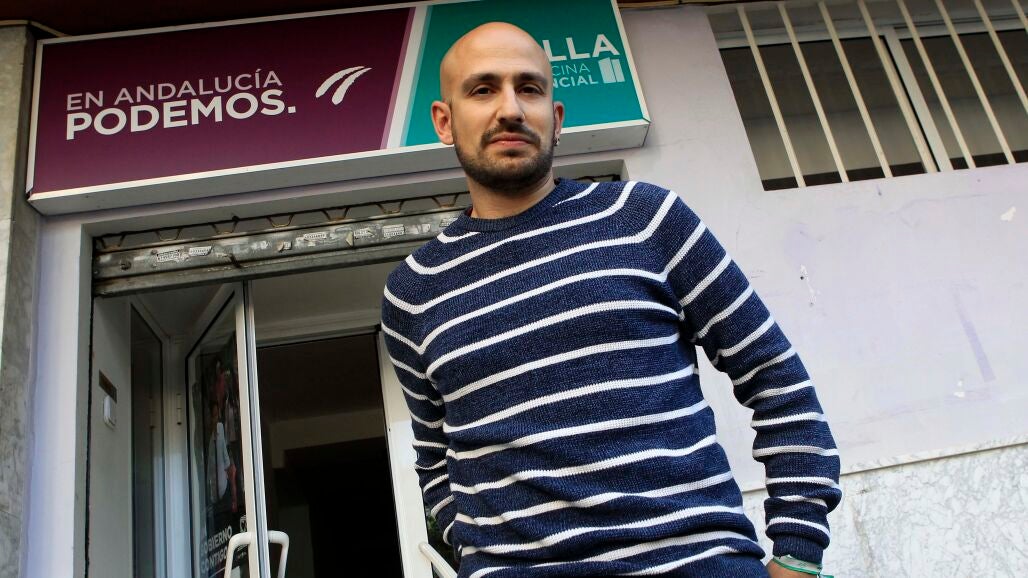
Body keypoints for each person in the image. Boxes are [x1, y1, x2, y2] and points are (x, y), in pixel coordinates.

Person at [381, 22, 840, 577]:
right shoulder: (413, 292)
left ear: (556, 117)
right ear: (444, 120)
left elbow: (776, 380)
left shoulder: (647, 219)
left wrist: (797, 553)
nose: (510, 109)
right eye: (483, 89)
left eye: (529, 88)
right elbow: (436, 460)